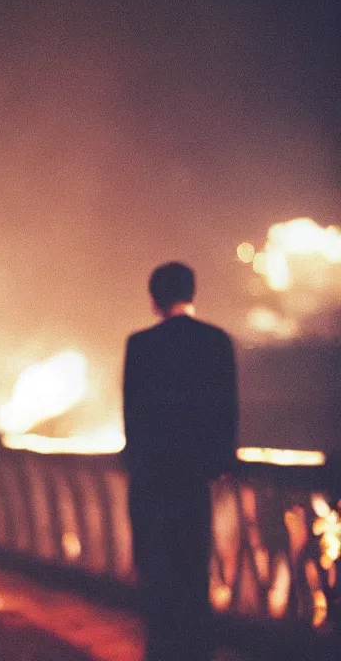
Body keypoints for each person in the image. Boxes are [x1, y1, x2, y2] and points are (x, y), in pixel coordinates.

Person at [122, 262, 238, 661]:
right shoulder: (216, 342)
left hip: (152, 483)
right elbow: (227, 412)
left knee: (157, 578)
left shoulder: (140, 345)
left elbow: (133, 418)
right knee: (192, 574)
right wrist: (218, 463)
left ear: (154, 299)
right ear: (193, 292)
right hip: (192, 483)